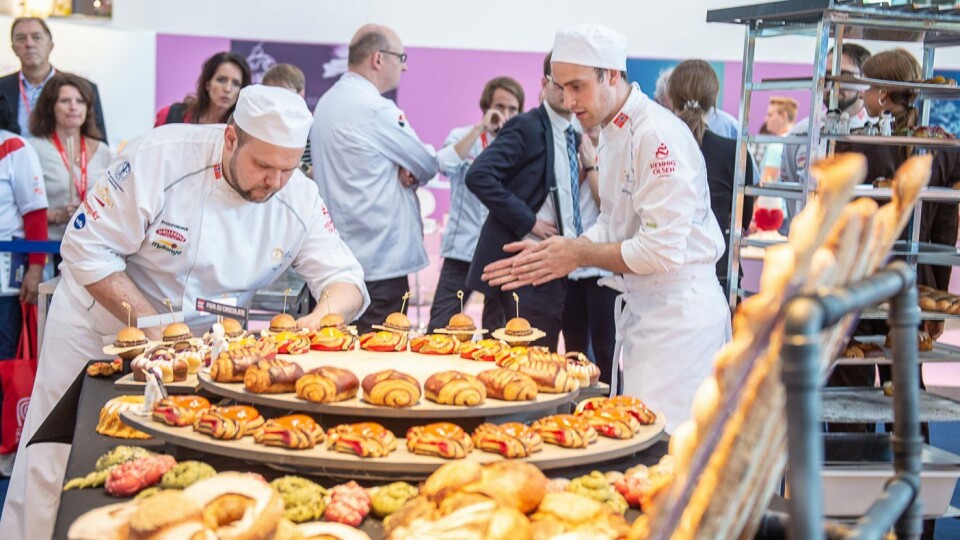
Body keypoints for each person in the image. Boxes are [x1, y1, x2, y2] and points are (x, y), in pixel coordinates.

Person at [0, 85, 369, 539]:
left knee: (177, 465)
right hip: (97, 325)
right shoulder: (161, 157)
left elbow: (346, 281)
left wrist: (320, 319)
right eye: (263, 166)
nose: (273, 182)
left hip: (203, 349)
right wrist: (160, 333)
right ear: (231, 138)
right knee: (57, 457)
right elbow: (86, 250)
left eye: (287, 169)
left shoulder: (300, 198)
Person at [482, 24, 730, 432]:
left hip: (679, 319)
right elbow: (612, 224)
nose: (568, 100)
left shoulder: (656, 135)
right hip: (645, 312)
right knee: (635, 437)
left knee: (666, 448)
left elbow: (659, 251)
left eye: (577, 86)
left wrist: (577, 254)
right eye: (561, 88)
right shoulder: (613, 132)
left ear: (611, 75)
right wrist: (563, 250)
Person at [312, 24, 449, 333]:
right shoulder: (376, 109)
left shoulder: (327, 103)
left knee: (333, 358)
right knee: (379, 363)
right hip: (378, 268)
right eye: (401, 57)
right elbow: (426, 164)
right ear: (377, 59)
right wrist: (405, 163)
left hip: (335, 264)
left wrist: (397, 162)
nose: (405, 65)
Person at [465, 52, 581, 350]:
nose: (568, 93)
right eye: (561, 84)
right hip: (522, 266)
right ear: (545, 83)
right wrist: (529, 220)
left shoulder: (576, 134)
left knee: (547, 359)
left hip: (561, 265)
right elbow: (478, 175)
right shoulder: (526, 126)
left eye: (576, 85)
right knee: (519, 365)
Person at [425, 76, 524, 333]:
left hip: (501, 254)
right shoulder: (463, 136)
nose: (505, 114)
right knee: (440, 327)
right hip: (462, 250)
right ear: (486, 107)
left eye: (512, 109)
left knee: (500, 333)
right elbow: (442, 165)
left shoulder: (520, 146)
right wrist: (480, 128)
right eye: (499, 107)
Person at [668, 59, 755, 292]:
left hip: (664, 271)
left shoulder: (655, 147)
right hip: (718, 271)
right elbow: (743, 220)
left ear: (670, 98)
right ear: (714, 100)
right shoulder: (734, 152)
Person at [0, 92, 47, 475]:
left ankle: (6, 445)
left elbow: (35, 213)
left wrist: (35, 268)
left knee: (5, 360)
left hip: (6, 276)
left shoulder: (13, 146)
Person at [29, 73, 113, 269]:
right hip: (47, 254)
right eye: (65, 101)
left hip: (92, 251)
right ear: (50, 107)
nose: (74, 107)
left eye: (80, 101)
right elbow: (20, 208)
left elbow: (115, 202)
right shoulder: (33, 150)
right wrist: (56, 216)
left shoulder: (103, 151)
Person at [559, 122, 618, 385]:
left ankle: (613, 406)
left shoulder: (614, 153)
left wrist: (592, 166)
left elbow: (605, 204)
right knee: (575, 349)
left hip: (601, 267)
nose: (590, 128)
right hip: (570, 267)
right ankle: (578, 410)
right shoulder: (567, 152)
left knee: (606, 350)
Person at [0, 17, 106, 140]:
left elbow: (98, 141)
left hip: (65, 158)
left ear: (50, 45)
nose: (29, 44)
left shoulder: (83, 88)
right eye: (21, 38)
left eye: (36, 37)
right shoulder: (2, 89)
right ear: (13, 48)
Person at [154, 51, 251, 126]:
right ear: (207, 84)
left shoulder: (240, 130)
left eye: (236, 83)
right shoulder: (170, 115)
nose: (228, 89)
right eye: (221, 80)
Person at [655, 66, 739, 139]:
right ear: (658, 103)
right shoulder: (654, 129)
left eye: (680, 106)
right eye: (672, 111)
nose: (680, 115)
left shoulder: (728, 126)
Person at [262, 63, 313, 179]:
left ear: (301, 94)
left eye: (284, 94)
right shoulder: (259, 125)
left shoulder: (312, 127)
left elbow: (320, 172)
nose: (277, 101)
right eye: (271, 94)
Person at [759, 96, 797, 182]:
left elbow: (767, 184)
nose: (766, 119)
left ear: (783, 116)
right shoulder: (798, 142)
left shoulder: (776, 145)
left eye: (770, 115)